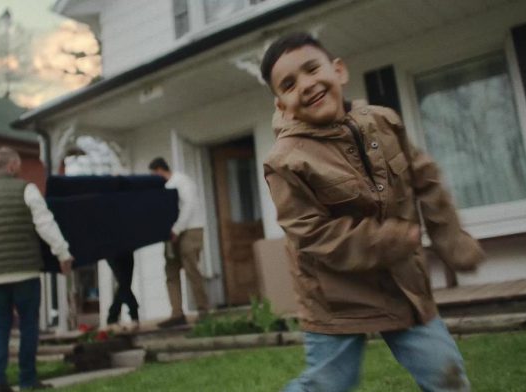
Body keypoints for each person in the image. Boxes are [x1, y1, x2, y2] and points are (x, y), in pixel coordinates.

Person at [260, 32, 485, 392]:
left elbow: (424, 179)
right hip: (335, 296)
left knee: (447, 374)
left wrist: (450, 238)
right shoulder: (285, 162)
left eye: (311, 69)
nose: (306, 84)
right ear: (282, 104)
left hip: (403, 287)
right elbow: (313, 235)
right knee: (329, 385)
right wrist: (390, 239)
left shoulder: (384, 122)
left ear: (338, 71)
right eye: (289, 84)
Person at [0, 146, 74, 392]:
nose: (19, 168)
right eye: (18, 164)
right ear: (11, 166)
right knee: (29, 324)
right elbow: (45, 224)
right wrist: (63, 253)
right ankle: (28, 380)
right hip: (24, 271)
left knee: (1, 326)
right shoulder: (26, 189)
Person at [149, 157, 209, 328]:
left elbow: (188, 206)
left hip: (190, 230)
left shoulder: (182, 181)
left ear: (160, 170)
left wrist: (177, 229)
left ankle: (203, 309)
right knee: (171, 271)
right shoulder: (164, 187)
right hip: (172, 234)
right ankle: (177, 313)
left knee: (191, 269)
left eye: (154, 174)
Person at [105, 251, 139, 330]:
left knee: (125, 283)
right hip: (110, 250)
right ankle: (133, 315)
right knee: (124, 282)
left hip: (127, 249)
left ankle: (112, 318)